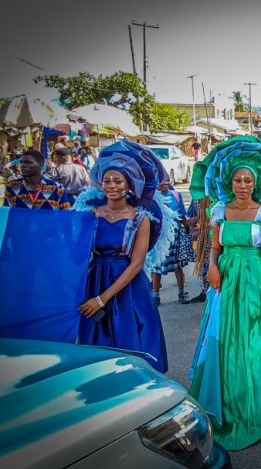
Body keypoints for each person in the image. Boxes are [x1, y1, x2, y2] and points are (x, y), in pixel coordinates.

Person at [188, 136, 261, 451]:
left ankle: (253, 402)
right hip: (226, 279)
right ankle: (224, 400)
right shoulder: (219, 211)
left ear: (256, 181)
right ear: (229, 180)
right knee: (225, 339)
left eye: (248, 179)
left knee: (251, 341)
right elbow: (215, 248)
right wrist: (212, 267)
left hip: (255, 282)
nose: (243, 184)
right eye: (237, 178)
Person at [75, 145, 170, 374]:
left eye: (118, 181)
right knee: (95, 347)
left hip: (128, 287)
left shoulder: (140, 218)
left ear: (128, 185)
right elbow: (74, 252)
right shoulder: (91, 215)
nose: (112, 186)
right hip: (95, 280)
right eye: (107, 181)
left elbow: (136, 264)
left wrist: (102, 299)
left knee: (130, 341)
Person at [150, 180, 193, 305]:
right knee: (157, 267)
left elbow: (182, 216)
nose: (166, 182)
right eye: (162, 180)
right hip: (159, 237)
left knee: (178, 267)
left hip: (175, 235)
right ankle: (156, 297)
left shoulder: (176, 195)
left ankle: (181, 293)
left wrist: (188, 228)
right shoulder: (152, 197)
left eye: (168, 179)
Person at [5, 150, 71, 210]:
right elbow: (5, 213)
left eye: (28, 162)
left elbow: (66, 214)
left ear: (40, 165)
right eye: (21, 162)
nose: (22, 165)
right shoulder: (12, 186)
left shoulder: (56, 188)